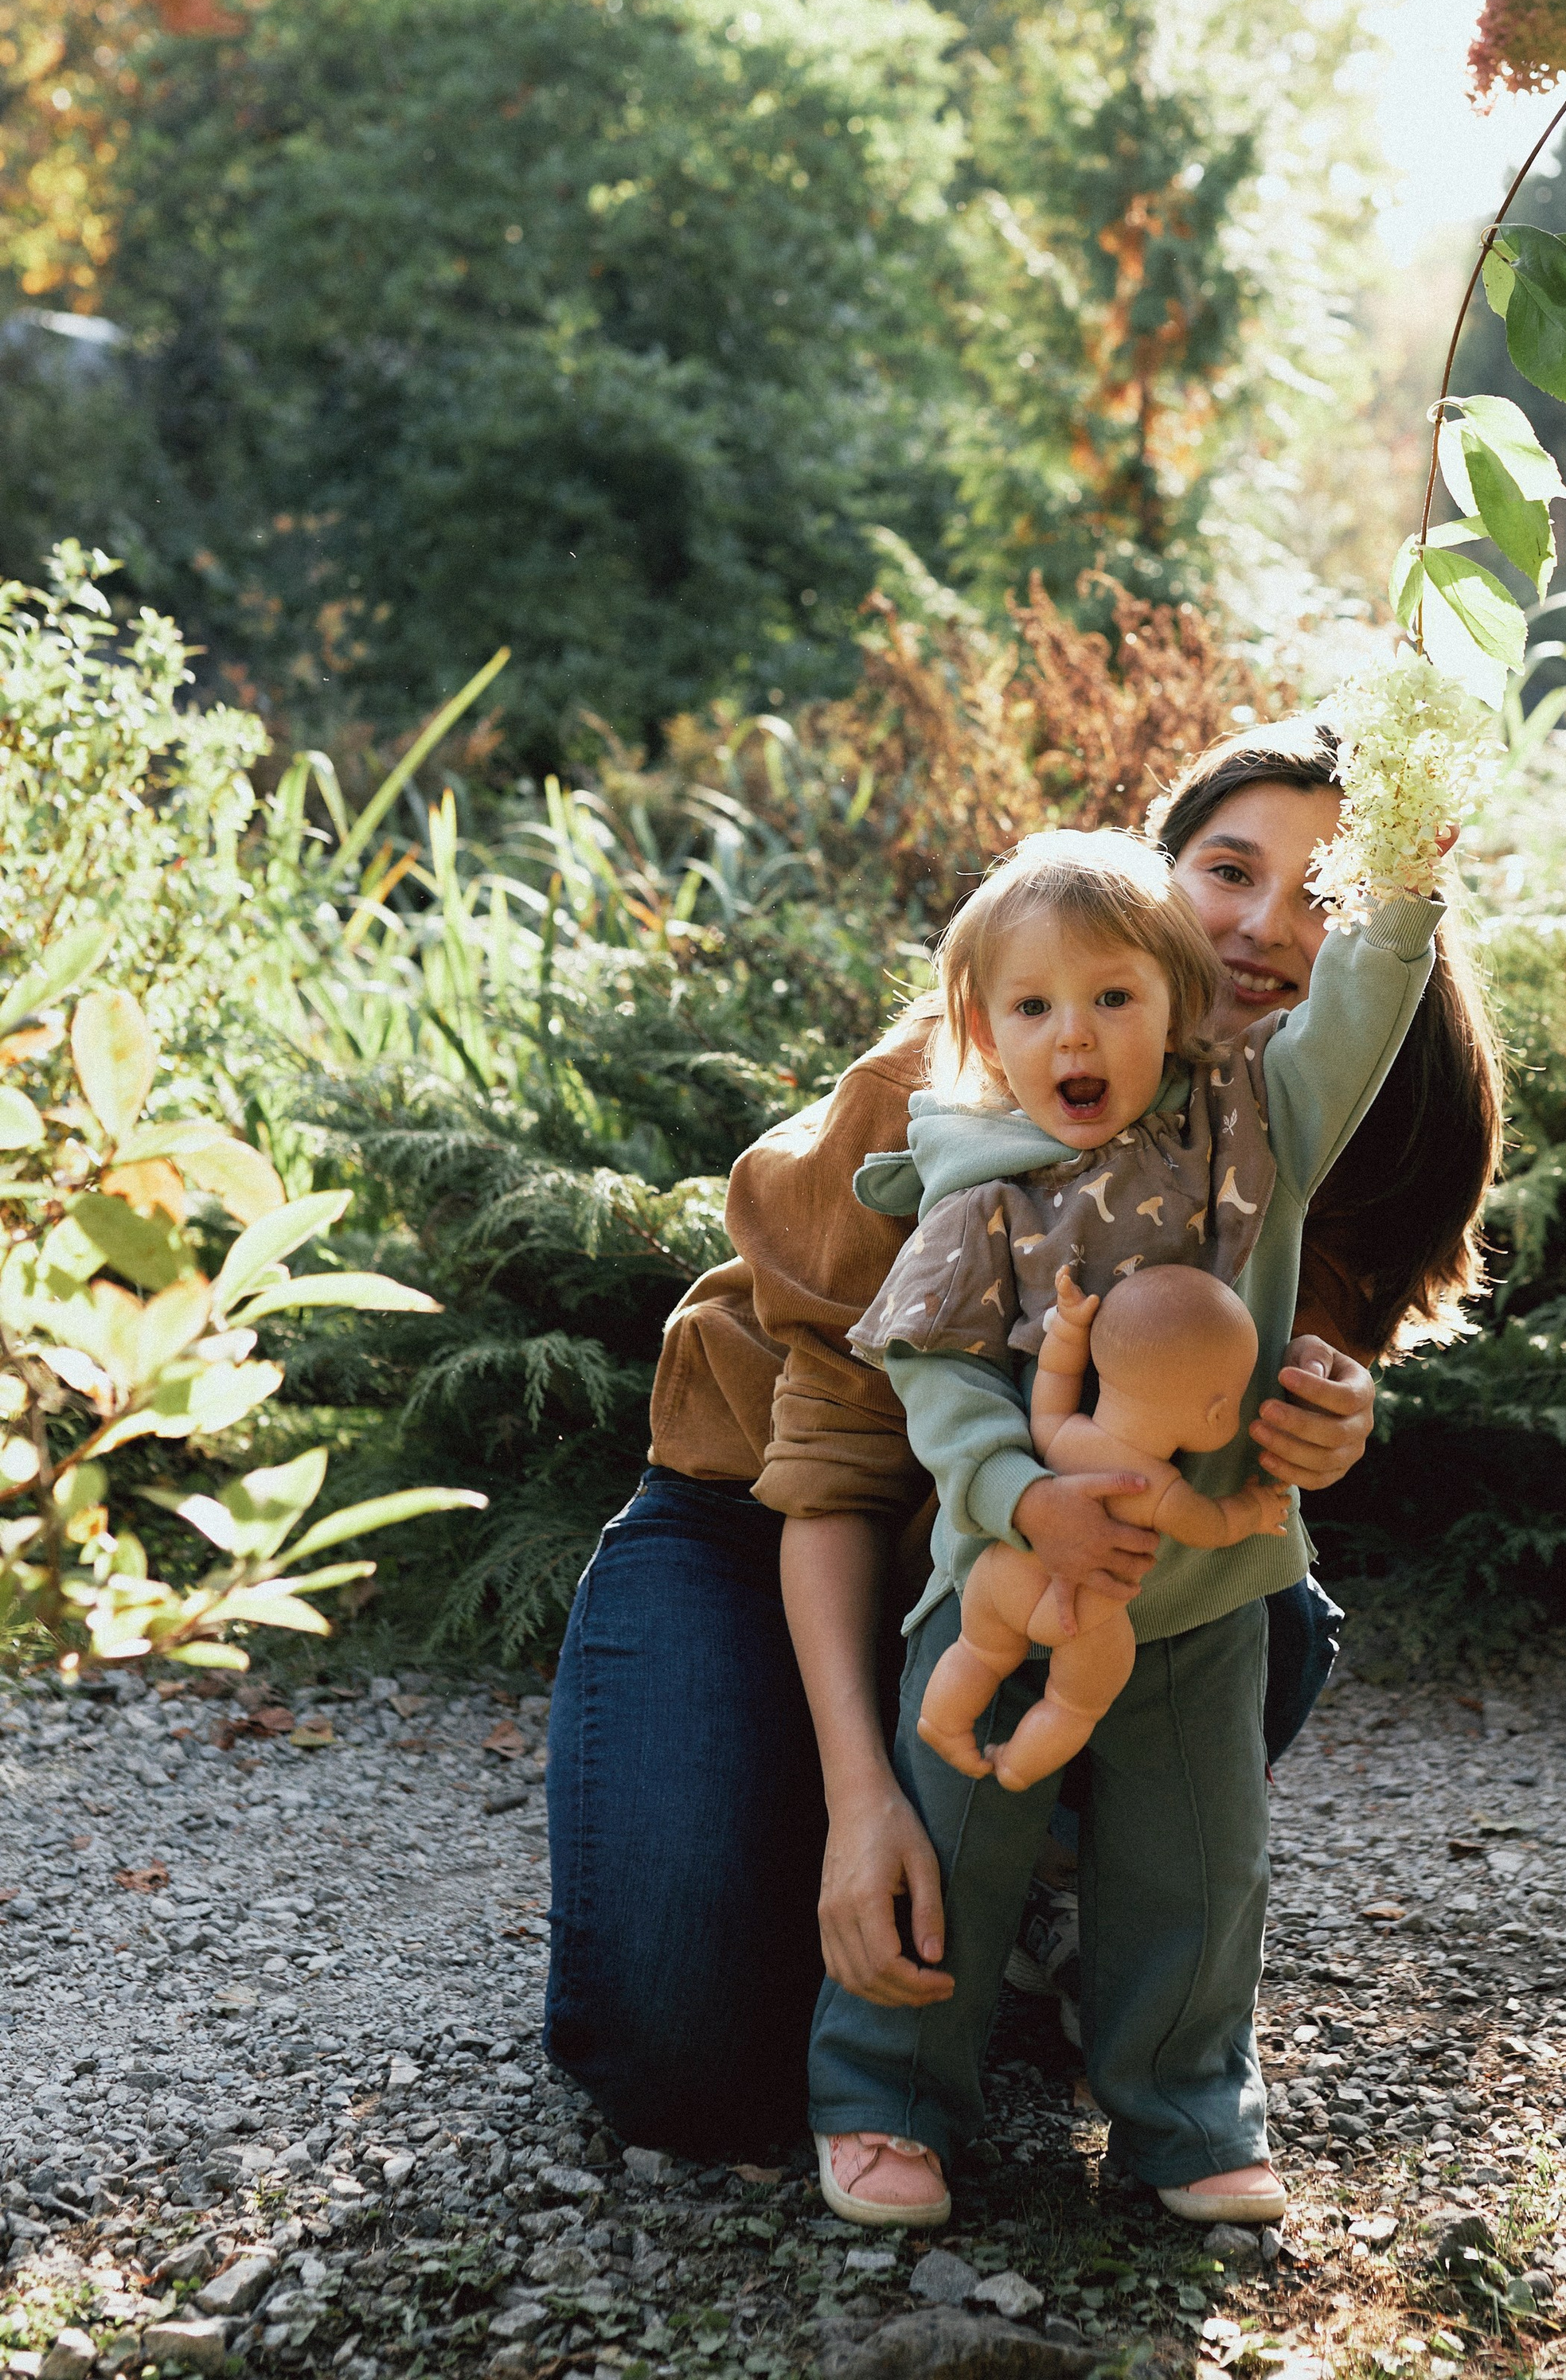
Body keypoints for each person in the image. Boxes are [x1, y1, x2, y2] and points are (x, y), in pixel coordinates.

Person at [542, 715, 1502, 2158]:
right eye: (1230, 869)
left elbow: (1215, 1425)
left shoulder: (1311, 1116)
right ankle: (897, 1863)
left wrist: (1320, 1423)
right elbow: (840, 1477)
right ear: (1153, 878)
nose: (1261, 926)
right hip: (775, 1537)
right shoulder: (958, 1091)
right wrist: (861, 1806)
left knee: (1269, 1622)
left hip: (1060, 1572)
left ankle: (1030, 1895)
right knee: (689, 2068)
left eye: (1321, 893)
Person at [807, 828, 1443, 2230]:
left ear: (1181, 1000)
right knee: (958, 1836)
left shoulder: (1252, 1116)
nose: (1073, 1035)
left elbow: (1354, 1020)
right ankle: (884, 2096)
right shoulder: (976, 1181)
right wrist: (1020, 1494)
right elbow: (939, 1374)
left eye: (1112, 998)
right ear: (983, 1029)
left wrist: (1400, 889)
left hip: (1204, 1589)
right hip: (1015, 1589)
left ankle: (1185, 2112)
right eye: (1033, 1008)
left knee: (1200, 1869)